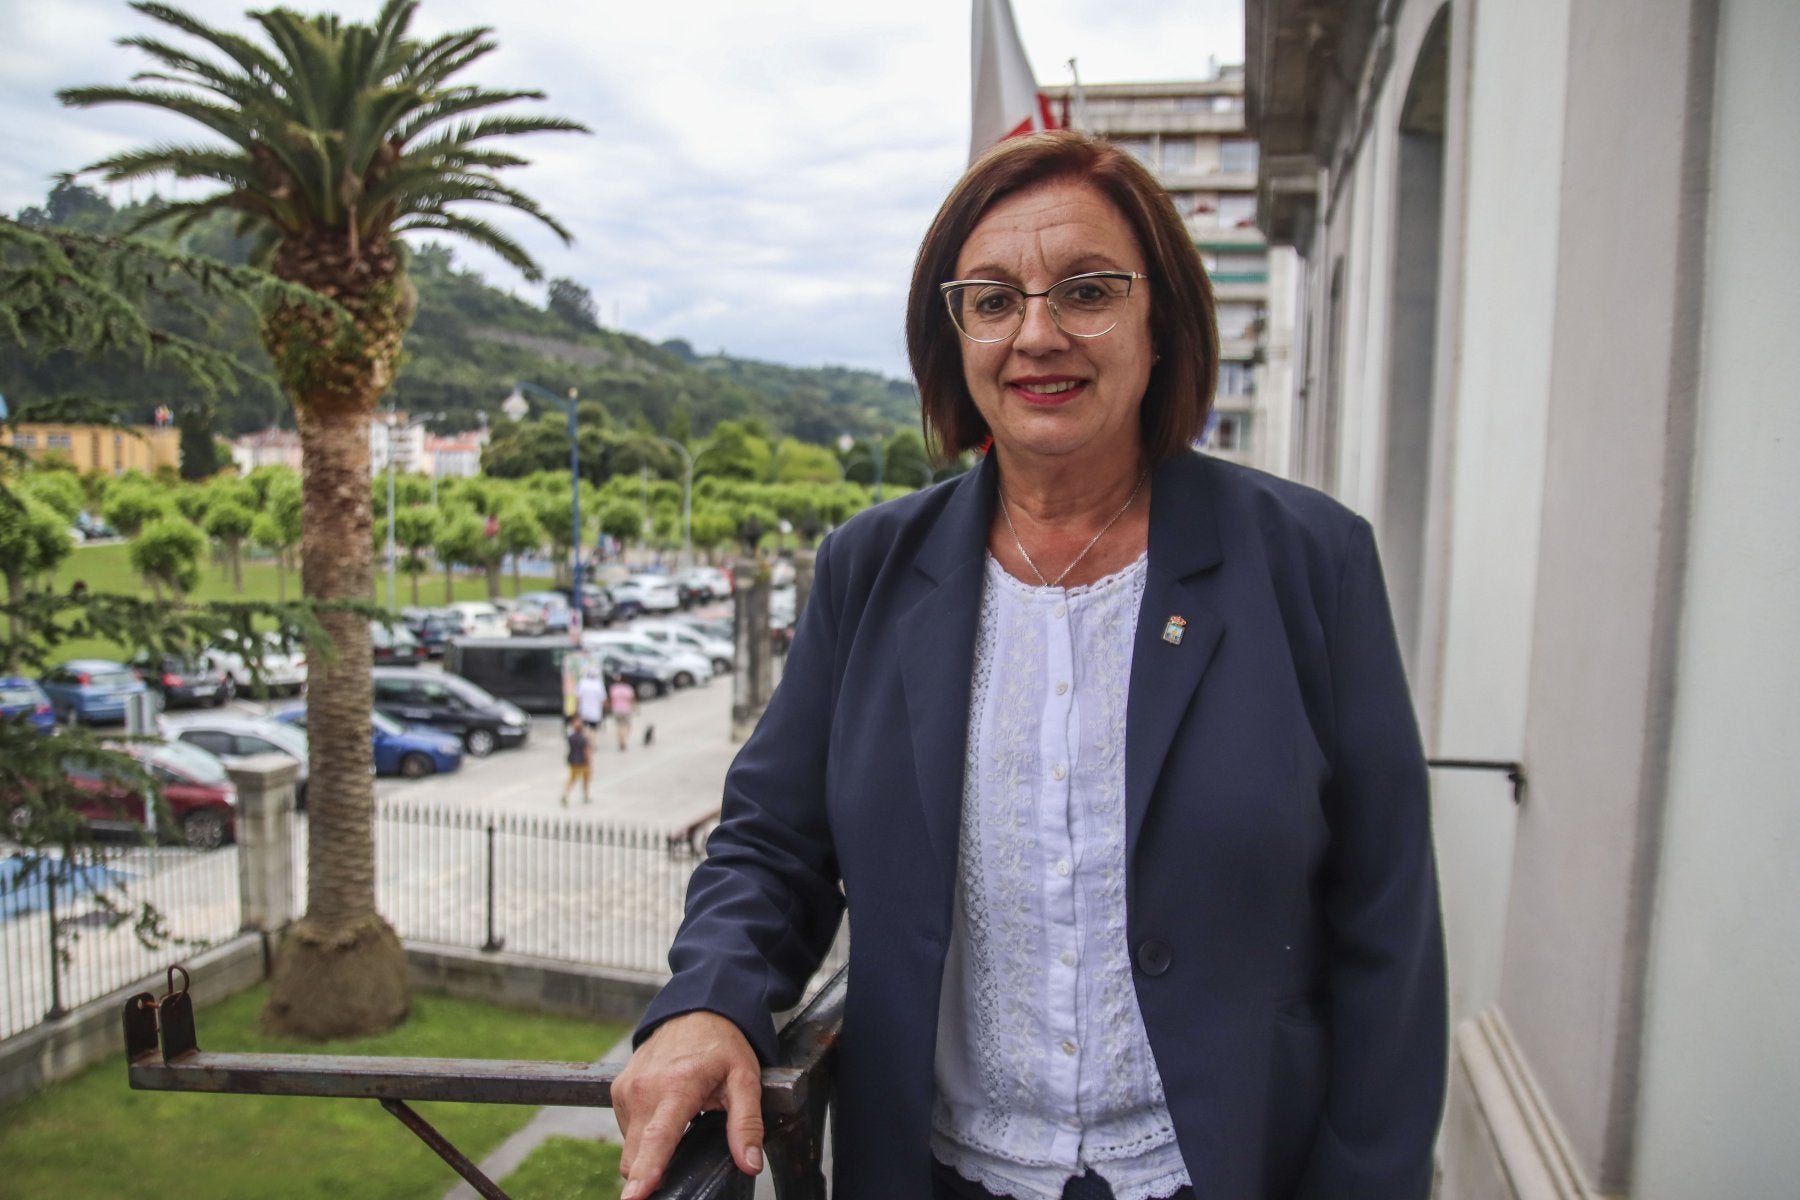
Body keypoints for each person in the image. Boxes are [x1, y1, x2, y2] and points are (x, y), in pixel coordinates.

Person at [613, 130, 1446, 1200]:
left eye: (1087, 291)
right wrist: (706, 1003)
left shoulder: (1309, 562)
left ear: (1160, 325)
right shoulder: (870, 567)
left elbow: (1389, 926)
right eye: (994, 299)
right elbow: (772, 842)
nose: (1038, 335)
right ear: (954, 335)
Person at [561, 717, 591, 807]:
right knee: (585, 779)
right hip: (582, 762)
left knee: (572, 779)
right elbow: (586, 751)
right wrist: (588, 759)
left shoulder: (571, 737)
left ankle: (565, 794)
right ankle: (585, 795)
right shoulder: (584, 738)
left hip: (573, 760)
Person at [607, 677, 636, 751]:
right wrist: (633, 707)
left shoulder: (614, 688)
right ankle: (624, 739)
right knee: (627, 726)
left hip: (616, 709)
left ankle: (620, 740)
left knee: (618, 726)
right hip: (626, 709)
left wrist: (609, 707)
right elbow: (631, 699)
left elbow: (611, 699)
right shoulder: (628, 688)